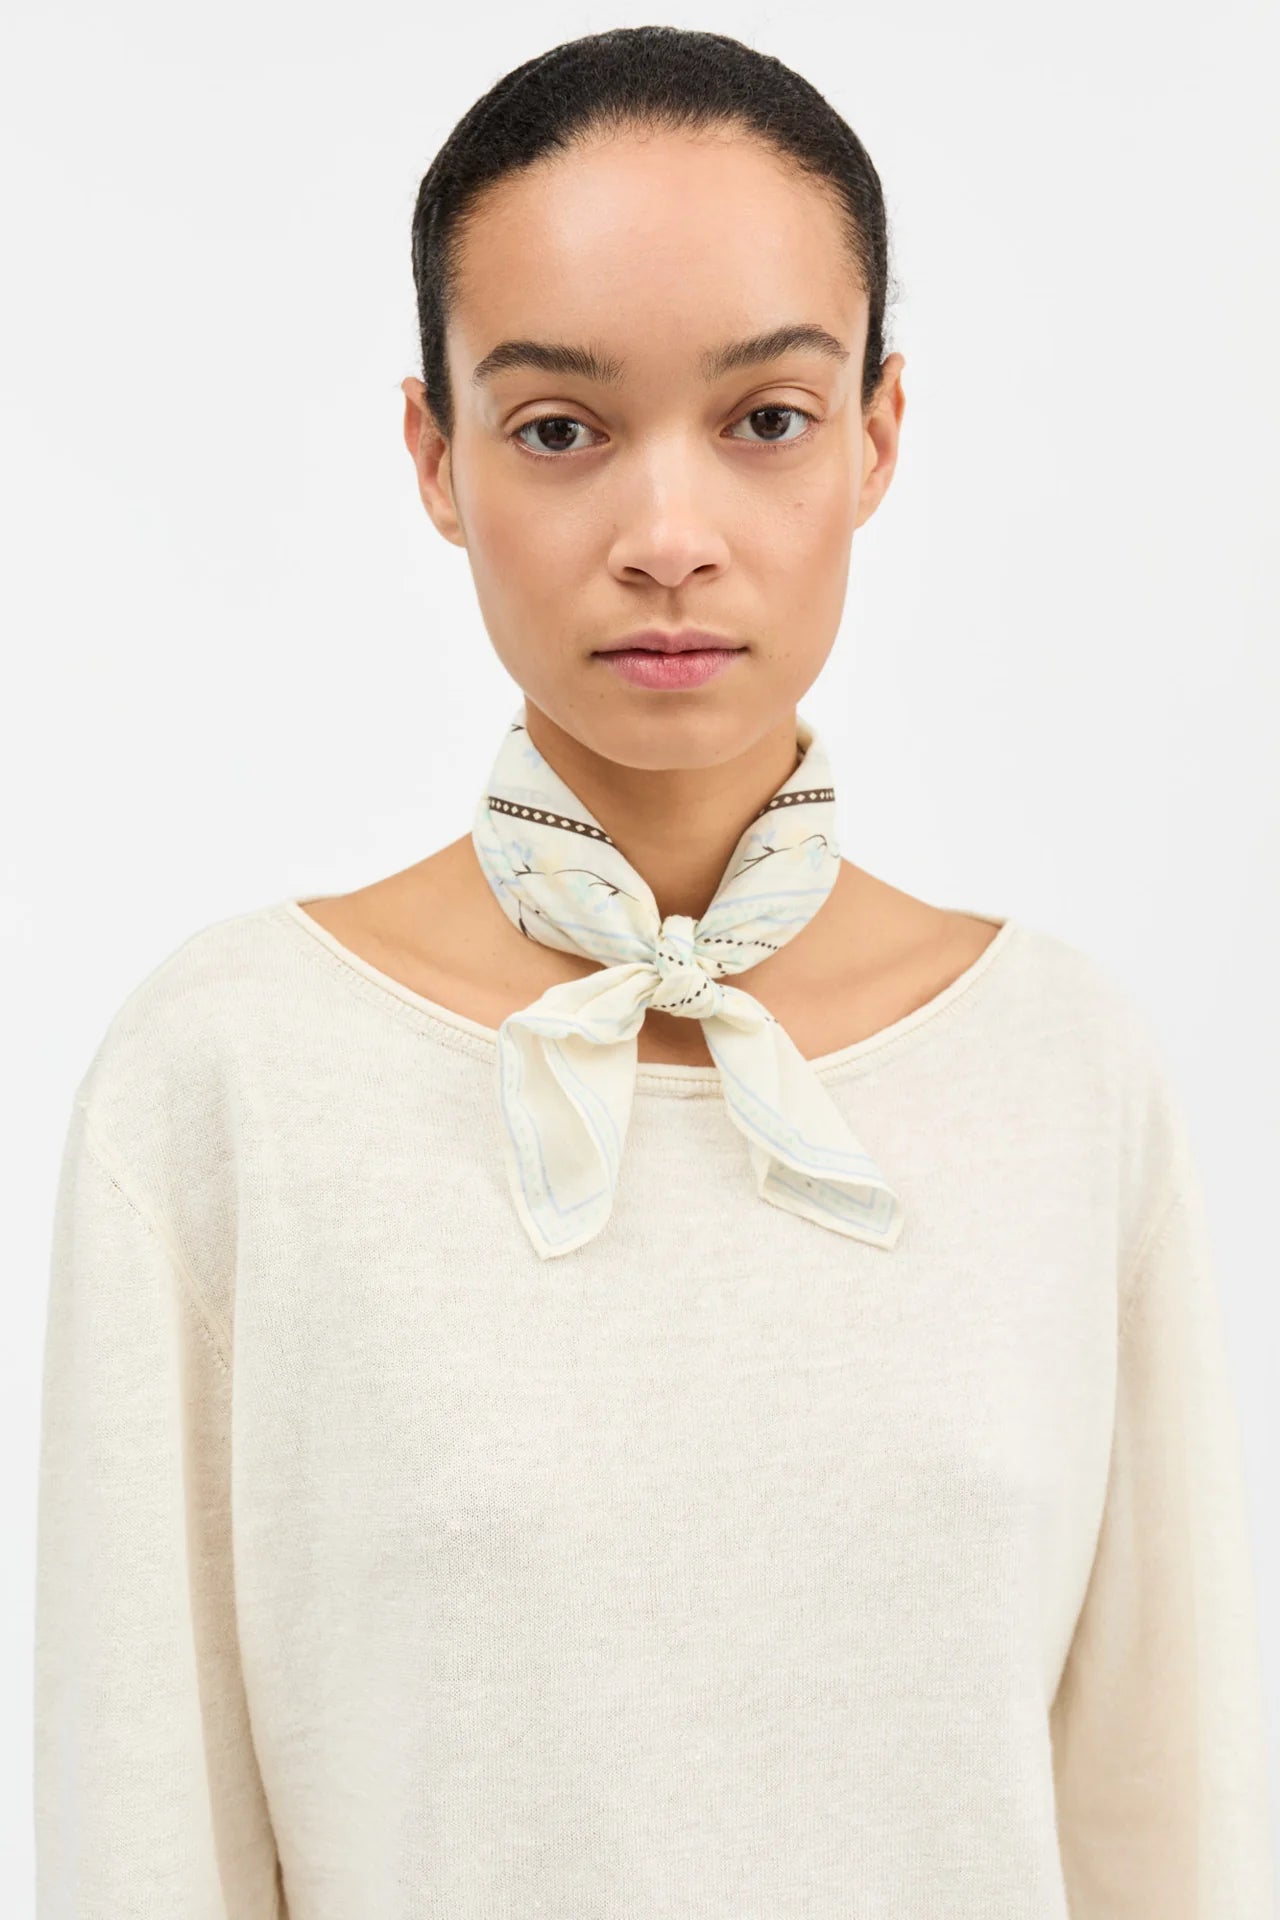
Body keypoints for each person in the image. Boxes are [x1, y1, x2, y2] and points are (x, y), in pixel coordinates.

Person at [32, 25, 1275, 1919]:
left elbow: (1165, 1836)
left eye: (767, 418)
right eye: (559, 429)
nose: (669, 540)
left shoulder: (1064, 1072)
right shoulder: (226, 1082)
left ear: (877, 435)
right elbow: (142, 1849)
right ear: (436, 457)